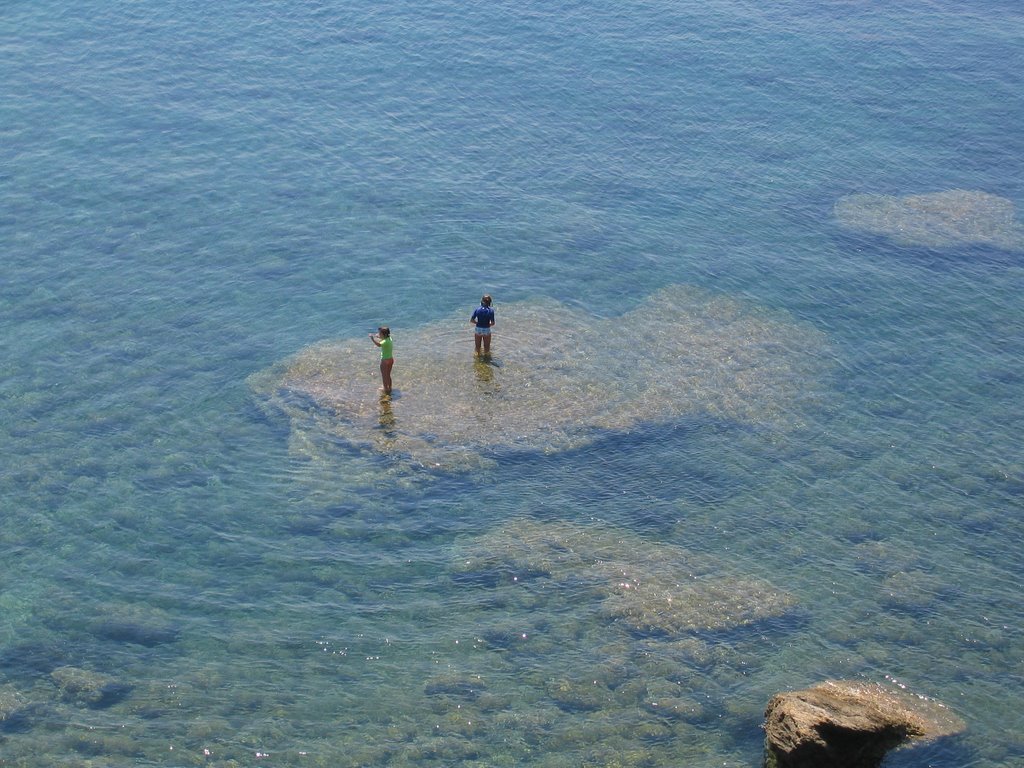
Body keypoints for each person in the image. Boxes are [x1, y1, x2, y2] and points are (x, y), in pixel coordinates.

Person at [369, 326, 393, 395]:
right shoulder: (390, 339)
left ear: (384, 335)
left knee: (384, 376)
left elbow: (379, 344)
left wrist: (372, 339)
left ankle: (385, 389)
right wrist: (379, 336)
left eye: (380, 333)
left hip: (385, 361)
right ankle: (390, 387)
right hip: (391, 359)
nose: (378, 334)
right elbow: (384, 339)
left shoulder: (384, 342)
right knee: (388, 375)